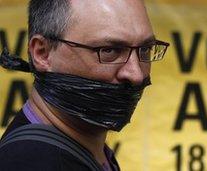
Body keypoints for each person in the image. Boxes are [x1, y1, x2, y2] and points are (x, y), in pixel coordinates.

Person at [0, 0, 169, 170]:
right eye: (109, 50)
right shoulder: (32, 163)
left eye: (145, 49)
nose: (137, 75)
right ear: (42, 53)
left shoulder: (85, 149)